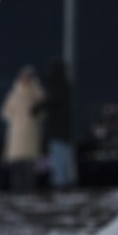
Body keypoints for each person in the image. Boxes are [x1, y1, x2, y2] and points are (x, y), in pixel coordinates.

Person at [0, 66, 45, 192]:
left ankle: (29, 190)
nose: (25, 79)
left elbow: (43, 112)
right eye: (24, 76)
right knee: (17, 167)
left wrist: (36, 116)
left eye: (28, 76)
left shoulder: (38, 93)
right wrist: (15, 119)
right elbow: (5, 112)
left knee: (29, 167)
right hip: (16, 135)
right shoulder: (14, 93)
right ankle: (17, 191)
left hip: (31, 134)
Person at [42, 59, 77, 189]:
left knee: (60, 160)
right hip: (63, 130)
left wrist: (39, 106)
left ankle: (61, 185)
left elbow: (52, 102)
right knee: (63, 159)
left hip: (59, 130)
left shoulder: (58, 85)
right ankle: (64, 183)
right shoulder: (64, 85)